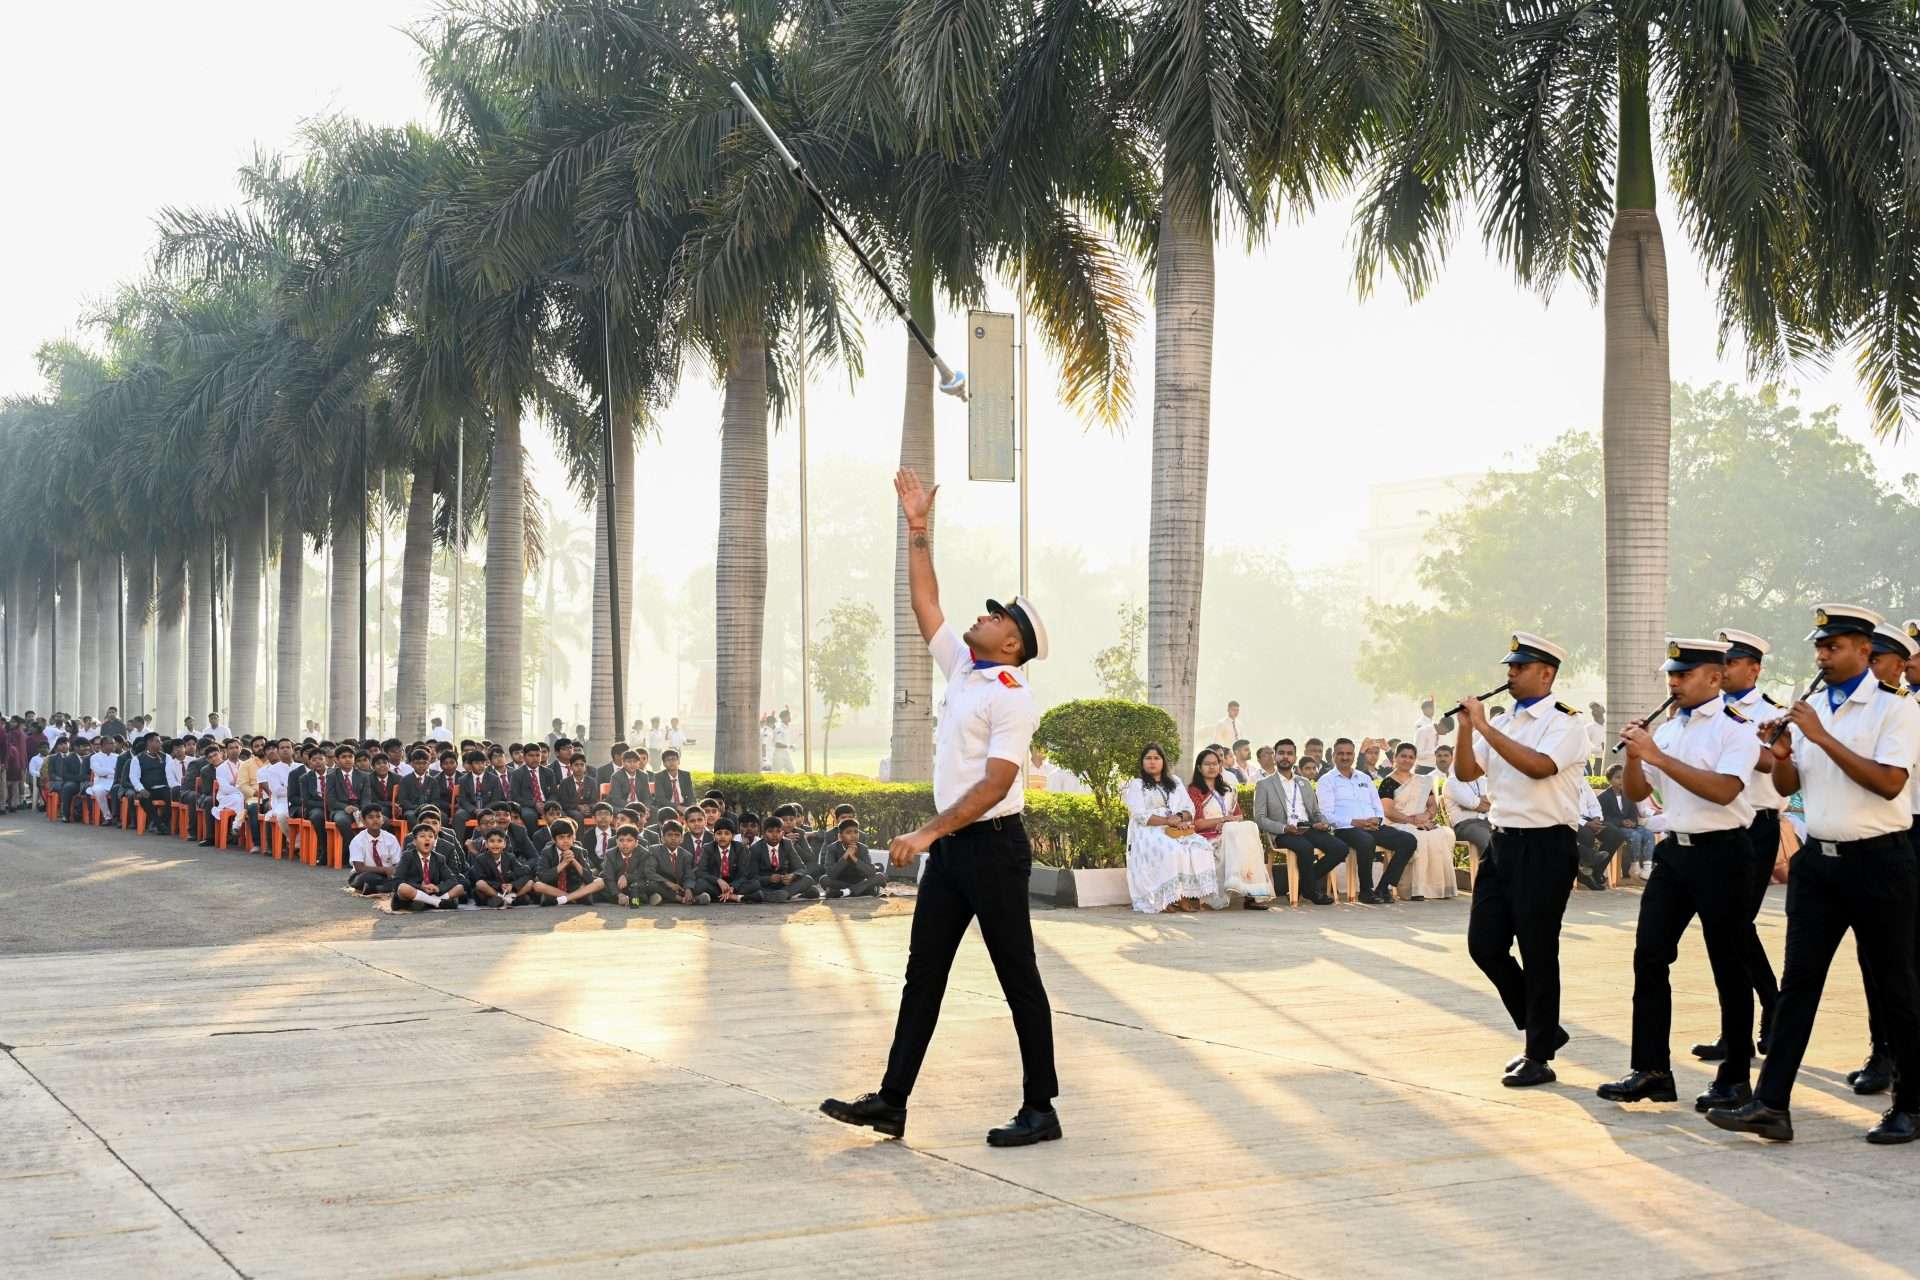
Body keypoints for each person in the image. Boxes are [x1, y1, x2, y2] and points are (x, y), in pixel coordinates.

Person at [821, 466, 1059, 1149]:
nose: (981, 617)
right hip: (955, 852)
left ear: (1012, 642)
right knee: (923, 973)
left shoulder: (1011, 694)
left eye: (996, 616)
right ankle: (892, 1102)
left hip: (991, 846)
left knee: (1019, 978)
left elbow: (994, 784)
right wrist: (918, 529)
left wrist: (927, 831)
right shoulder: (965, 668)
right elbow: (927, 602)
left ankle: (1041, 1107)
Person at [1709, 605, 1920, 1144]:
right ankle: (1770, 1104)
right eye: (1819, 648)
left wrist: (1820, 736)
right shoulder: (1811, 709)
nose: (1822, 656)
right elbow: (1787, 785)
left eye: (1834, 647)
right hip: (1819, 865)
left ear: (1865, 652)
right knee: (1799, 985)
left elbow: (1891, 783)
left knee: (1895, 984)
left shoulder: (1894, 709)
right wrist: (1780, 751)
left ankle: (1912, 1104)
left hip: (1879, 861)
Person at [1596, 639, 1763, 1110]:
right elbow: (1638, 791)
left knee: (1728, 963)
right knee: (1649, 954)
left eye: (1684, 675)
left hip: (1723, 852)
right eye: (1672, 674)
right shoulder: (1668, 730)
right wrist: (1634, 757)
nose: (1674, 682)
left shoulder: (1737, 729)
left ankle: (1734, 1077)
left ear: (1715, 677)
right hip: (1676, 854)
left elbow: (1726, 790)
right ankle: (1651, 1070)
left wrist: (1657, 755)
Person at [1453, 631, 1590, 1088]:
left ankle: (1538, 1053)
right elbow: (1468, 772)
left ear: (1546, 673)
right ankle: (1544, 1028)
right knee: (1484, 944)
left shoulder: (1566, 722)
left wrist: (1485, 726)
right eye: (1509, 667)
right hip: (1503, 842)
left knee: (1537, 950)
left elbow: (1538, 766)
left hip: (1546, 846)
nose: (1509, 674)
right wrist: (1467, 728)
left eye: (1519, 667)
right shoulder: (1506, 720)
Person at [1694, 626, 1789, 1066]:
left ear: (1754, 668)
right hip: (1718, 828)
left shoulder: (1770, 712)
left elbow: (1776, 763)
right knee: (1725, 929)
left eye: (1733, 662)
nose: (1725, 670)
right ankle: (1738, 1027)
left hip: (1756, 824)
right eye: (1722, 662)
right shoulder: (1703, 711)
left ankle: (1771, 1006)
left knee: (1736, 925)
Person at [1841, 621, 1920, 1095]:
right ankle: (1883, 1050)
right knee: (1879, 952)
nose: (1908, 666)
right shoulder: (1886, 709)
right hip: (1890, 833)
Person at [1122, 744, 1218, 913]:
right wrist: (1168, 821)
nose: (1152, 762)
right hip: (1149, 828)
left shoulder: (1175, 782)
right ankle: (1165, 898)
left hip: (1177, 826)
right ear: (1142, 762)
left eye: (1156, 758)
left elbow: (1190, 808)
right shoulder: (1137, 784)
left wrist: (1180, 818)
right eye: (1148, 758)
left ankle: (1183, 897)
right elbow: (1139, 815)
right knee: (1172, 850)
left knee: (1201, 847)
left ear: (1163, 761)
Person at [1319, 738, 1416, 904]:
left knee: (1408, 840)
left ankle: (1383, 887)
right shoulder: (1326, 780)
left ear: (1354, 755)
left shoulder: (1364, 778)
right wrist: (1355, 822)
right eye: (1340, 753)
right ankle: (1365, 891)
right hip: (1346, 828)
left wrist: (1377, 819)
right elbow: (1326, 815)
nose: (1345, 757)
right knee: (1366, 841)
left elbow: (1377, 805)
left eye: (1349, 753)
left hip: (1372, 826)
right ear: (1334, 755)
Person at [1252, 739, 1345, 905]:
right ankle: (1311, 891)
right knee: (1305, 847)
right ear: (1275, 756)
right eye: (1281, 753)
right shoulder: (1264, 785)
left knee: (1340, 848)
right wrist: (1283, 827)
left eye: (1289, 753)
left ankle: (1302, 886)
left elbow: (1316, 813)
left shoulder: (1304, 783)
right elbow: (1259, 818)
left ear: (1295, 757)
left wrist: (1322, 823)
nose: (1285, 757)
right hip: (1284, 832)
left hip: (1308, 829)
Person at [1188, 747, 1275, 909]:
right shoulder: (1194, 791)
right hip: (1207, 836)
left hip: (1230, 832)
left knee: (1249, 827)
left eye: (1215, 764)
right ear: (1199, 767)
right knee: (1235, 833)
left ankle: (1252, 894)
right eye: (1207, 764)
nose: (1212, 767)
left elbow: (1239, 816)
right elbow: (1197, 823)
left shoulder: (1228, 789)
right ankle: (1239, 887)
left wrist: (1227, 822)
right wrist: (1222, 821)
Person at [1380, 742, 1457, 900]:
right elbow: (1388, 811)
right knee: (1419, 838)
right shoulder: (1387, 782)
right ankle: (1416, 890)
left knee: (1441, 835)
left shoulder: (1422, 781)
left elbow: (1432, 805)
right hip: (1398, 823)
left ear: (1415, 760)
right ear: (1395, 758)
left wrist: (1427, 816)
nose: (1407, 760)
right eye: (1403, 756)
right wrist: (1412, 820)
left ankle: (1438, 889)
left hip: (1421, 821)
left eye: (1410, 757)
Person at [1597, 764, 1655, 879]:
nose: (1621, 780)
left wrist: (1633, 822)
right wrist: (1621, 822)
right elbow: (1603, 817)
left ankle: (1647, 867)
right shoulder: (1603, 797)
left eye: (1623, 777)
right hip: (1616, 828)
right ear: (1609, 780)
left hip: (1630, 826)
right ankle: (1634, 865)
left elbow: (1633, 812)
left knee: (1648, 833)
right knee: (1635, 835)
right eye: (1618, 777)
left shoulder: (1628, 794)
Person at [392, 822, 466, 911]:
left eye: (430, 837)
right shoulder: (407, 856)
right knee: (402, 888)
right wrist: (421, 887)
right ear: (415, 842)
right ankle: (438, 903)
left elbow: (452, 879)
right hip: (415, 892)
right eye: (422, 836)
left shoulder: (439, 858)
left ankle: (433, 902)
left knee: (460, 887)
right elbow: (397, 880)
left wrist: (438, 888)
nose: (427, 839)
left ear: (434, 841)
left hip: (433, 893)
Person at [531, 817, 605, 906]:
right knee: (537, 885)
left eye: (569, 836)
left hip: (575, 889)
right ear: (554, 840)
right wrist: (563, 864)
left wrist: (574, 861)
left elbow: (589, 878)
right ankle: (572, 898)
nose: (566, 841)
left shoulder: (579, 851)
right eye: (561, 837)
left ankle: (566, 899)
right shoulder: (547, 852)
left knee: (600, 881)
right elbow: (543, 877)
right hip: (555, 890)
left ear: (573, 838)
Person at [639, 821, 701, 905]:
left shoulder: (686, 855)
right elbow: (650, 872)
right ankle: (680, 899)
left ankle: (689, 897)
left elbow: (689, 875)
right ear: (662, 838)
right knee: (651, 884)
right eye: (669, 835)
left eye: (677, 835)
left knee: (698, 882)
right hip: (662, 884)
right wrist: (668, 883)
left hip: (679, 886)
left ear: (682, 838)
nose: (673, 838)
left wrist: (688, 889)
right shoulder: (654, 850)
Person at [347, 807, 404, 896]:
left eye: (378, 816)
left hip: (387, 875)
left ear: (383, 820)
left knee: (403, 877)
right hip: (363, 874)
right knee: (366, 878)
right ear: (363, 821)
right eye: (371, 817)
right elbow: (359, 868)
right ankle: (387, 887)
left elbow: (397, 863)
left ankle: (376, 888)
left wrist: (392, 872)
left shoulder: (391, 839)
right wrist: (384, 870)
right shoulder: (357, 840)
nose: (375, 820)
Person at [823, 819, 887, 897]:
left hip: (859, 881)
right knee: (824, 879)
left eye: (856, 832)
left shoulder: (863, 848)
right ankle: (861, 890)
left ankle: (844, 892)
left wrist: (854, 858)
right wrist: (846, 855)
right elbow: (831, 874)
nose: (853, 835)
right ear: (840, 836)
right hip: (841, 882)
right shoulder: (832, 848)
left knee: (880, 876)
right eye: (848, 832)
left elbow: (870, 872)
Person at [694, 815, 746, 903]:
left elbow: (743, 874)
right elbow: (701, 872)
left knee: (754, 884)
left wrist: (732, 887)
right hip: (715, 885)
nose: (722, 836)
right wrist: (718, 880)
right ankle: (733, 898)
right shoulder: (708, 848)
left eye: (726, 833)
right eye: (719, 833)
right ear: (714, 835)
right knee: (700, 884)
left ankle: (724, 896)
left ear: (732, 836)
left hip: (733, 884)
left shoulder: (739, 848)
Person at [1413, 699, 1439, 773]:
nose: (1433, 710)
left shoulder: (1433, 722)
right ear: (1424, 709)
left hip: (1433, 763)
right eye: (1431, 708)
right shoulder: (1420, 723)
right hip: (1423, 764)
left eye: (1433, 708)